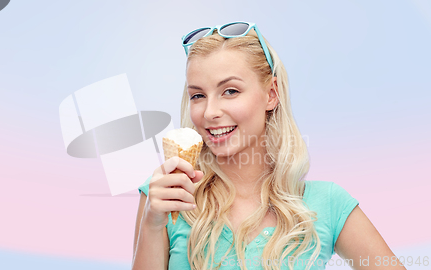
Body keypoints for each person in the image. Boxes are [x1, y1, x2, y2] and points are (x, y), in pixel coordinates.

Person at [132, 22, 405, 270]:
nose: (209, 112)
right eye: (198, 95)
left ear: (271, 95)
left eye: (230, 91)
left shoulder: (329, 204)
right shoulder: (167, 196)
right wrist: (153, 223)